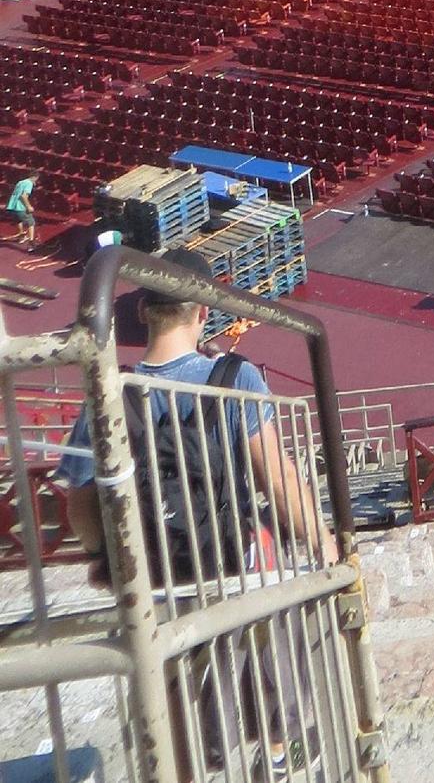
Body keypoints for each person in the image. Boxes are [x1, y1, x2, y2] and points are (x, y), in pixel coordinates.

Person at [57, 254, 335, 779]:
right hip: (230, 563)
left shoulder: (107, 394)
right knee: (266, 647)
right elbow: (276, 479)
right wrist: (325, 544)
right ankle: (282, 753)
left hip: (156, 577)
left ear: (144, 311)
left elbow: (80, 502)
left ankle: (192, 771)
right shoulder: (234, 376)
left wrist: (100, 556)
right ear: (203, 313)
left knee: (174, 684)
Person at [6, 175, 36, 248]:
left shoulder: (20, 182)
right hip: (20, 207)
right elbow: (23, 196)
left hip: (13, 206)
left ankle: (21, 237)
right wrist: (29, 206)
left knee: (19, 220)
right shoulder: (29, 183)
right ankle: (31, 244)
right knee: (31, 223)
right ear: (35, 177)